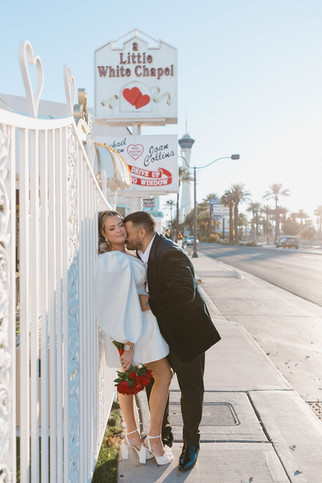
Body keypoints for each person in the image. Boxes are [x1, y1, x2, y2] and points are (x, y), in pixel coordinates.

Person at [123, 211, 221, 472]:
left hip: (187, 334)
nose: (126, 236)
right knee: (156, 384)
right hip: (159, 335)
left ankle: (191, 444)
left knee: (190, 391)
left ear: (141, 232)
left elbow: (184, 292)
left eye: (128, 232)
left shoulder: (170, 252)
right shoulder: (139, 254)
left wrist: (149, 302)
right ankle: (161, 433)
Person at [94, 211, 173, 466]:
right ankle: (150, 439)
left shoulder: (128, 256)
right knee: (160, 375)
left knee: (130, 378)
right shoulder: (112, 261)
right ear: (104, 234)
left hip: (141, 324)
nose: (118, 230)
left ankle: (135, 437)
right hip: (133, 327)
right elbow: (121, 303)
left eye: (120, 225)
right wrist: (127, 344)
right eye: (111, 228)